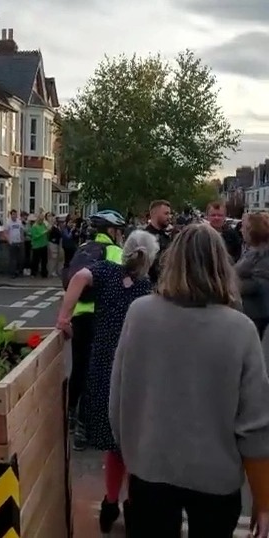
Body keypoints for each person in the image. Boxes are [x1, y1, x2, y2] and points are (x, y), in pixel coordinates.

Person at [110, 223, 269, 538]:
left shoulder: (140, 314)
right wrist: (263, 501)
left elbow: (119, 396)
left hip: (150, 467)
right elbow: (254, 425)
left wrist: (132, 452)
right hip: (216, 477)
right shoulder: (240, 329)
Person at [57, 230, 159, 534]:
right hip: (137, 369)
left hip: (104, 366)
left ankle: (110, 502)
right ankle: (132, 505)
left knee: (114, 445)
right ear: (151, 258)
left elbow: (78, 278)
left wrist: (65, 316)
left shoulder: (105, 272)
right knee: (136, 444)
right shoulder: (148, 288)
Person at [62, 210, 125, 451]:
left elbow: (69, 277)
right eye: (119, 231)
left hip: (80, 314)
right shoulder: (115, 252)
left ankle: (69, 414)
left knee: (79, 366)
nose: (120, 235)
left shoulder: (84, 248)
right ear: (112, 231)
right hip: (100, 316)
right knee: (96, 370)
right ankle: (83, 426)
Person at [235, 212, 269, 340]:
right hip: (249, 313)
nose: (241, 229)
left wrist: (233, 284)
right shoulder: (251, 251)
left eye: (243, 226)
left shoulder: (264, 254)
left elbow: (260, 284)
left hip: (257, 315)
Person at [146, 199, 172, 285]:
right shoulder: (143, 237)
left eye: (169, 213)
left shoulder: (166, 237)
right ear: (154, 214)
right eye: (166, 213)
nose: (169, 217)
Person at [4, 210, 24, 278]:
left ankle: (18, 271)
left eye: (15, 214)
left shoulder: (19, 222)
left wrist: (22, 239)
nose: (14, 216)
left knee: (20, 258)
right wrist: (9, 241)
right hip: (12, 242)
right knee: (13, 259)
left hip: (19, 242)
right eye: (13, 214)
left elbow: (21, 231)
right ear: (11, 215)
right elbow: (5, 232)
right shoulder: (8, 223)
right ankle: (12, 272)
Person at [31, 213, 49, 278]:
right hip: (36, 246)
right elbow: (34, 236)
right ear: (38, 219)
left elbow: (47, 231)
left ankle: (44, 273)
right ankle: (33, 273)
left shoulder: (44, 225)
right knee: (35, 261)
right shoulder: (34, 226)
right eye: (40, 219)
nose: (41, 221)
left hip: (44, 245)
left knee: (44, 261)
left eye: (42, 219)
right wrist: (43, 233)